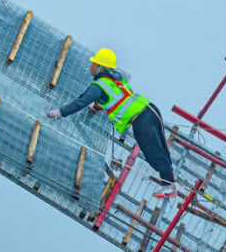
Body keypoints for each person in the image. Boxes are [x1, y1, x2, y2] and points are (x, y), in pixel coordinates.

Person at [47, 48, 176, 199]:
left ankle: (169, 186)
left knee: (152, 153)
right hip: (150, 109)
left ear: (101, 67)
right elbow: (114, 99)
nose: (91, 67)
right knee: (161, 149)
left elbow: (81, 102)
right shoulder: (117, 78)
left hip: (141, 120)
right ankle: (169, 179)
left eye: (94, 63)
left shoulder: (99, 86)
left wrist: (60, 112)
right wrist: (97, 105)